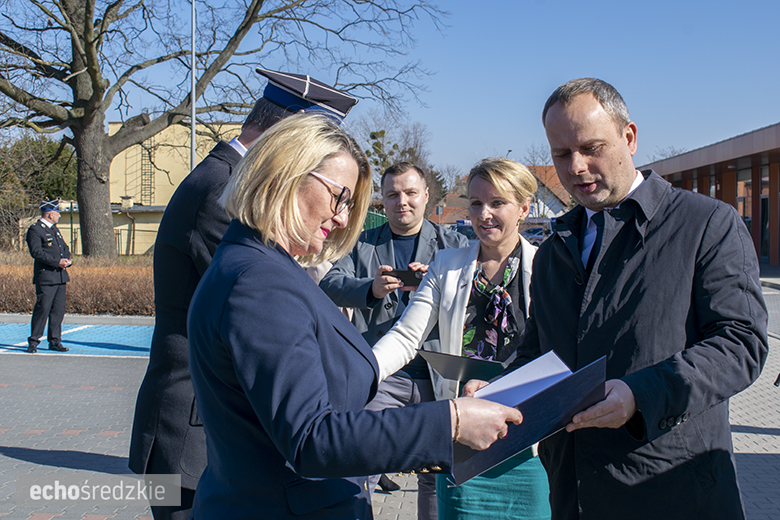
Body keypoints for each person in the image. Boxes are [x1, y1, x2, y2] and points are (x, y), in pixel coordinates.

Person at [186, 112, 523, 519]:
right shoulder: (260, 283)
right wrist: (449, 421)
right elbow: (312, 438)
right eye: (339, 197)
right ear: (286, 175)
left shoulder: (257, 264)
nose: (343, 218)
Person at [464, 78, 768, 520]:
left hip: (673, 491)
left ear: (629, 137)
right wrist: (500, 390)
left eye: (591, 148)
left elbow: (741, 344)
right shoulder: (553, 251)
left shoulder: (705, 224)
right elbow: (540, 352)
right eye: (561, 154)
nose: (577, 166)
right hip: (573, 491)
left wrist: (639, 395)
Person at [128, 68, 358, 520]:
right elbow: (269, 296)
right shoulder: (225, 188)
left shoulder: (226, 178)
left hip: (200, 424)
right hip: (190, 433)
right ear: (287, 139)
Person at [371, 158, 550, 520]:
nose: (484, 214)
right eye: (476, 203)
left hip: (530, 446)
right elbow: (406, 336)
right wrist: (363, 371)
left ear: (524, 209)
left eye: (497, 203)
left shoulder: (548, 265)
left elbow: (556, 352)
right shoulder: (446, 265)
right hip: (462, 442)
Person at [319, 160, 468, 516]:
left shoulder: (453, 244)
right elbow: (329, 285)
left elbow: (472, 295)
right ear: (382, 201)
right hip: (381, 375)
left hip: (436, 376)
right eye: (392, 195)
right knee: (357, 464)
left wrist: (437, 284)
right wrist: (369, 289)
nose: (402, 201)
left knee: (434, 474)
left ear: (426, 196)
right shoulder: (363, 243)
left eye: (410, 193)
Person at [26, 199, 72, 354]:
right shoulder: (35, 230)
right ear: (50, 214)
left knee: (58, 311)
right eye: (57, 213)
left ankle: (54, 341)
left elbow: (64, 248)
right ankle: (34, 341)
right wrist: (56, 262)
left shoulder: (54, 230)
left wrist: (67, 260)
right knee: (43, 309)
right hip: (46, 277)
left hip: (60, 276)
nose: (59, 215)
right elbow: (37, 252)